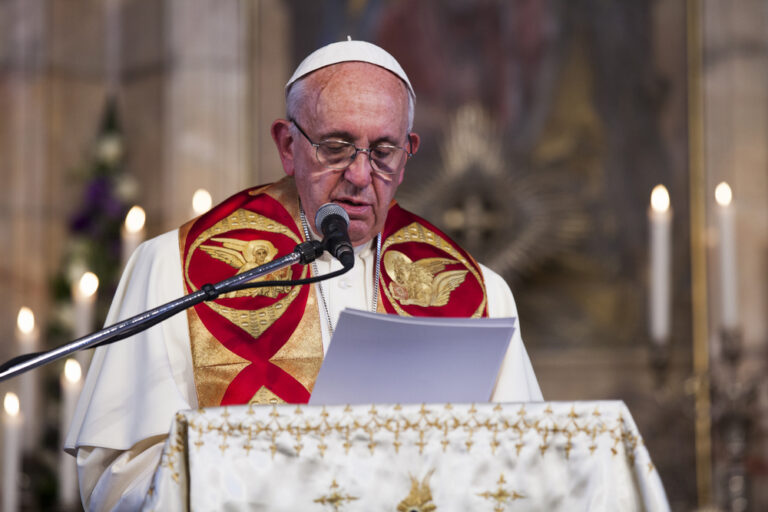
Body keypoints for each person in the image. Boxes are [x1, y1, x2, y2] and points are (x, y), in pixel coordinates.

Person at [65, 40, 542, 511]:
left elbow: (525, 476)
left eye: (383, 151)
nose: (359, 175)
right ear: (288, 145)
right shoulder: (173, 268)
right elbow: (119, 481)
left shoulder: (478, 295)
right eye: (336, 147)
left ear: (407, 155)